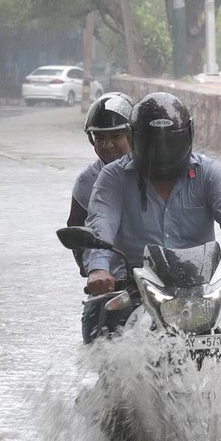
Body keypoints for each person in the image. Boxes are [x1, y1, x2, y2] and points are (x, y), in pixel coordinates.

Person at [83, 92, 221, 341]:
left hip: (202, 285)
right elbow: (102, 224)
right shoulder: (113, 177)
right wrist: (99, 270)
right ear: (136, 138)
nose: (162, 152)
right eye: (153, 144)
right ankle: (112, 379)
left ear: (188, 135)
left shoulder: (209, 173)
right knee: (98, 324)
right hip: (136, 284)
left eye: (169, 143)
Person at [69, 92, 134, 343]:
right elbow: (76, 229)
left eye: (116, 137)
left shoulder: (153, 170)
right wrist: (94, 272)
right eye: (100, 138)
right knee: (95, 328)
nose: (107, 145)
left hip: (162, 273)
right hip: (116, 281)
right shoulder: (87, 181)